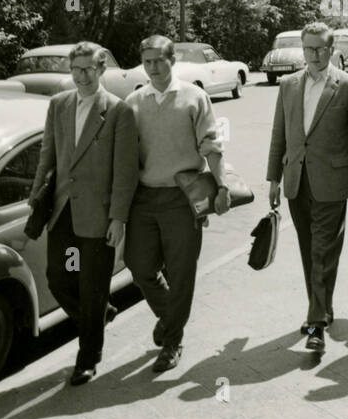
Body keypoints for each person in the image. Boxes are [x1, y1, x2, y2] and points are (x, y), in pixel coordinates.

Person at [29, 42, 138, 386]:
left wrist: (118, 218)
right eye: (75, 70)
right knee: (58, 278)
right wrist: (36, 195)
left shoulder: (119, 111)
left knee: (92, 288)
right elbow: (48, 154)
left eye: (88, 69)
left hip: (99, 216)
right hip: (63, 210)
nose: (82, 76)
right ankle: (99, 314)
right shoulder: (59, 104)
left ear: (101, 69)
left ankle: (88, 357)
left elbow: (125, 172)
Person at [125, 34, 231, 375]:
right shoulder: (134, 102)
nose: (154, 67)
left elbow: (211, 146)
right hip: (144, 198)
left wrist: (222, 186)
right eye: (148, 62)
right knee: (139, 266)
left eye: (160, 60)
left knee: (181, 272)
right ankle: (170, 318)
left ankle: (172, 341)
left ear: (173, 60)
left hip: (182, 198)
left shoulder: (194, 97)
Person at [267, 21, 348, 355]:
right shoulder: (288, 85)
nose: (313, 55)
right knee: (309, 251)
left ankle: (316, 325)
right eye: (308, 48)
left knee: (322, 252)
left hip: (332, 183)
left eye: (320, 49)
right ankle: (323, 308)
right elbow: (279, 135)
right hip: (297, 182)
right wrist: (273, 179)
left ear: (331, 50)